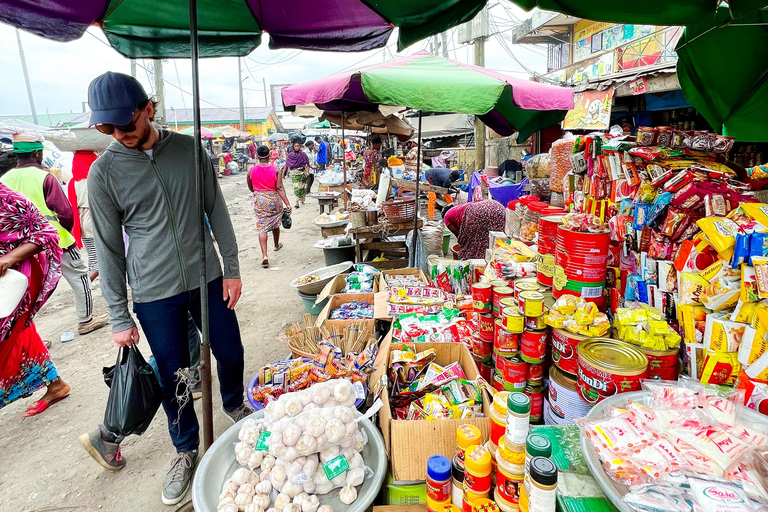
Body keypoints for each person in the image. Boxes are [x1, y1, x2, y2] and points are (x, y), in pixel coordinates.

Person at [78, 72, 250, 505]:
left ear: (148, 108)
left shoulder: (190, 150)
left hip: (207, 275)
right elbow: (110, 249)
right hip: (154, 291)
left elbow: (217, 209)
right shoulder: (104, 173)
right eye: (108, 128)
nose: (119, 134)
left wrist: (231, 266)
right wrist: (118, 314)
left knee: (229, 350)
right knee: (175, 375)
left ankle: (235, 406)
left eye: (125, 123)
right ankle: (185, 449)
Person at [1, 133, 109, 336]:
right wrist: (63, 232)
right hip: (56, 240)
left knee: (27, 289)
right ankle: (86, 320)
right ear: (37, 153)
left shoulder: (4, 180)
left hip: (19, 247)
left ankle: (30, 335)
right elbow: (66, 214)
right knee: (80, 278)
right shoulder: (45, 177)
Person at [0, 182, 70, 417]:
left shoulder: (4, 198)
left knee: (11, 332)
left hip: (12, 280)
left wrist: (8, 258)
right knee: (20, 332)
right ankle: (55, 384)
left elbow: (45, 232)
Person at [248, 145, 292, 268]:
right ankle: (276, 245)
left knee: (262, 227)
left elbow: (250, 187)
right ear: (269, 155)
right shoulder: (276, 170)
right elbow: (279, 188)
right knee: (275, 222)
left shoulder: (251, 170)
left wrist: (258, 192)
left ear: (257, 156)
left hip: (260, 199)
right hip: (274, 199)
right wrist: (287, 203)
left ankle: (264, 255)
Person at [67, 150, 100, 281]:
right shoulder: (95, 180)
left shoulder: (72, 183)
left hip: (81, 220)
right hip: (94, 218)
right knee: (99, 260)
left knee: (92, 256)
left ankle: (86, 283)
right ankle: (85, 284)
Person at [285, 140, 310, 209]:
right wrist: (283, 174)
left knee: (303, 187)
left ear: (300, 146)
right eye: (295, 146)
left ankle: (302, 200)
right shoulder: (290, 155)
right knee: (296, 187)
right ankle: (297, 202)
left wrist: (307, 172)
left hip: (302, 172)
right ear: (293, 147)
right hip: (294, 173)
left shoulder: (303, 154)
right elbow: (286, 165)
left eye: (298, 146)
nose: (297, 147)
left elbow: (307, 164)